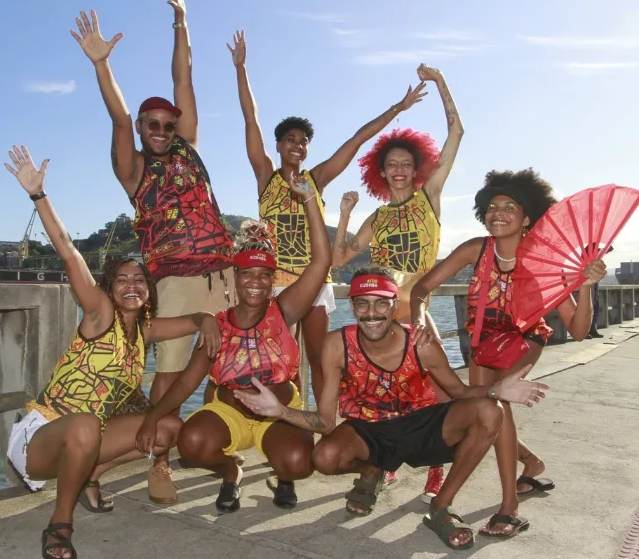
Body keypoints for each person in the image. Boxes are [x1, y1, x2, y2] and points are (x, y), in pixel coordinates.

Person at [2, 145, 221, 559]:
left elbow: (194, 320)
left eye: (140, 279)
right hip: (42, 438)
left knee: (169, 428)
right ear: (108, 288)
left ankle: (89, 476)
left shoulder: (144, 330)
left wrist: (206, 318)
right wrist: (38, 195)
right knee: (85, 424)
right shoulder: (100, 315)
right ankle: (60, 525)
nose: (132, 286)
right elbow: (67, 249)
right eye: (122, 279)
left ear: (149, 289)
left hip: (89, 437)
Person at [232, 267, 549, 550]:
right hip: (369, 430)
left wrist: (496, 389)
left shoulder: (420, 343)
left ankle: (441, 506)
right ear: (352, 306)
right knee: (324, 457)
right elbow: (326, 421)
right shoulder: (336, 345)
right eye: (362, 303)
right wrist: (280, 411)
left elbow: (459, 391)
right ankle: (372, 469)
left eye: (381, 302)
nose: (372, 313)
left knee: (490, 410)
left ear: (395, 306)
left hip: (420, 425)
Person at [71, 0, 235, 499]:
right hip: (177, 279)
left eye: (168, 124)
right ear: (143, 130)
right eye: (153, 125)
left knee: (223, 363)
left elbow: (183, 76)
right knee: (168, 373)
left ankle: (213, 442)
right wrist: (102, 64)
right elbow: (117, 117)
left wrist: (181, 19)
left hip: (225, 270)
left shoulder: (187, 147)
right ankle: (158, 460)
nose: (162, 131)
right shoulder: (134, 170)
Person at [225, 29, 427, 403]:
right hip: (277, 283)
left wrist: (397, 109)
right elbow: (250, 120)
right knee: (277, 359)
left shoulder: (316, 180)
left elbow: (355, 141)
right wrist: (241, 69)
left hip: (314, 279)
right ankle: (283, 420)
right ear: (280, 145)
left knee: (319, 357)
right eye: (291, 140)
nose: (297, 145)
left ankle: (323, 422)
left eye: (303, 141)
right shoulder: (266, 178)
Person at [409, 168, 607, 537]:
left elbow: (579, 331)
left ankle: (509, 507)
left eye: (509, 206)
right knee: (482, 409)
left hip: (525, 340)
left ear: (528, 216)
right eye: (491, 206)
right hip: (483, 342)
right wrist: (420, 318)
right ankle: (531, 462)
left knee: (499, 406)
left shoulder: (548, 263)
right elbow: (422, 288)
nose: (497, 212)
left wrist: (585, 286)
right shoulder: (475, 249)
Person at [136, 174, 331, 512]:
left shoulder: (283, 311)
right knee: (192, 442)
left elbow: (321, 262)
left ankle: (282, 473)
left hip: (279, 416)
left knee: (299, 462)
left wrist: (310, 201)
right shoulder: (218, 325)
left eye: (264, 275)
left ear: (273, 280)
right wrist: (153, 417)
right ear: (235, 278)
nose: (255, 283)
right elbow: (187, 381)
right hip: (230, 413)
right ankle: (230, 471)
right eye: (247, 274)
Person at [331, 63, 463, 502]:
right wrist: (346, 213)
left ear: (417, 167)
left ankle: (434, 471)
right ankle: (386, 461)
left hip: (418, 311)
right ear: (381, 173)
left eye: (407, 163)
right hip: (383, 315)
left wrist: (441, 82)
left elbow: (457, 133)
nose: (401, 170)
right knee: (386, 394)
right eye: (393, 165)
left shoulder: (430, 198)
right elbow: (340, 258)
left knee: (435, 392)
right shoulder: (379, 216)